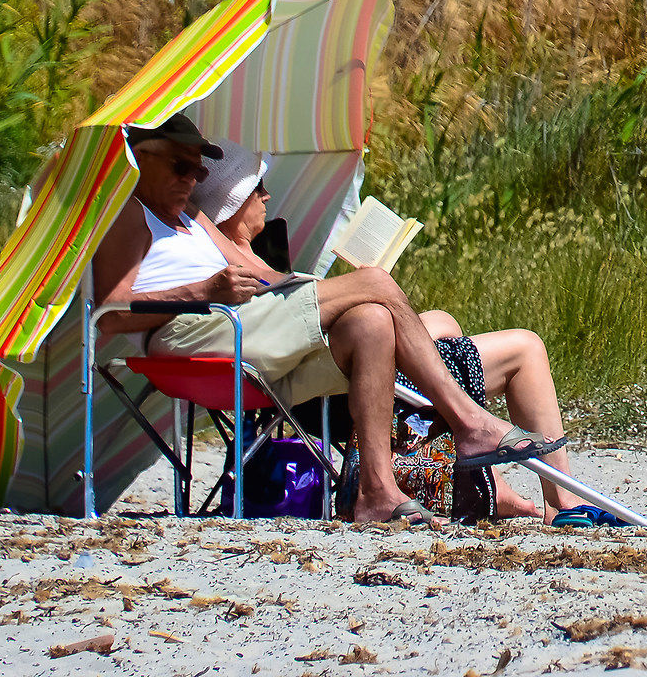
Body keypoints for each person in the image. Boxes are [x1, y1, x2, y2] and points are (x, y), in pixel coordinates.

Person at [91, 115, 564, 526]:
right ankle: (469, 423)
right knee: (376, 284)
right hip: (195, 332)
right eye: (181, 165)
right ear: (141, 157)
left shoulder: (192, 217)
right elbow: (109, 314)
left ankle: (375, 492)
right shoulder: (131, 216)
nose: (191, 179)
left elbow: (268, 278)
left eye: (198, 170)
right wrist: (203, 292)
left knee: (371, 321)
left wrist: (320, 285)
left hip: (243, 326)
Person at [192, 147, 593, 524]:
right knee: (526, 347)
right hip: (334, 377)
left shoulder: (248, 253)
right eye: (256, 189)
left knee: (442, 321)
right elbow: (283, 301)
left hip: (337, 362)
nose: (266, 196)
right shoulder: (229, 256)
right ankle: (562, 501)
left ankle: (492, 484)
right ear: (232, 201)